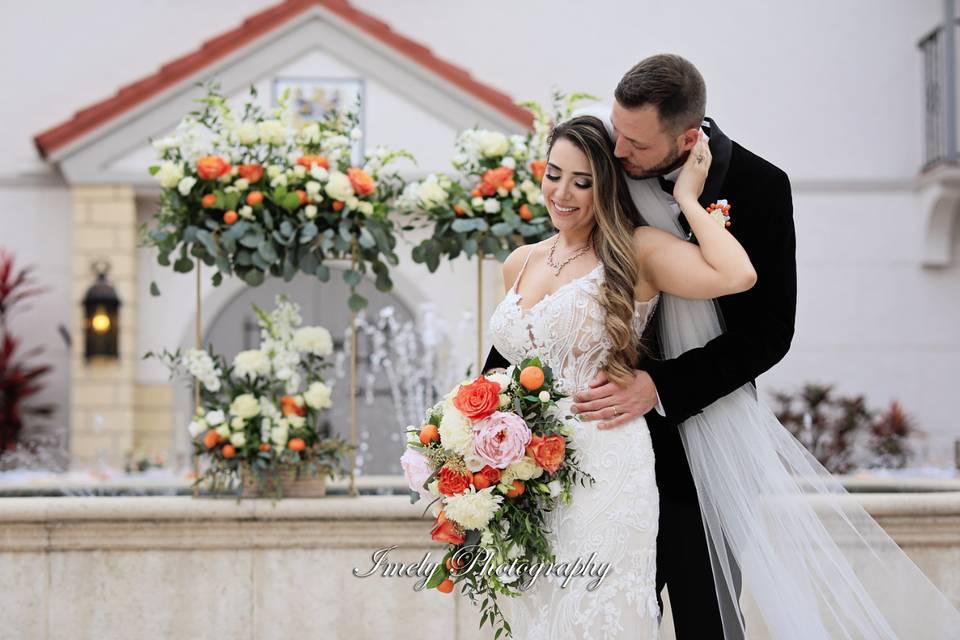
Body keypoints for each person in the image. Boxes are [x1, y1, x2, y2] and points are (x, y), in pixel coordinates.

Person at [485, 54, 960, 639]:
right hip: (592, 450)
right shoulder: (609, 166)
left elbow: (768, 333)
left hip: (702, 436)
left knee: (704, 617)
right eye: (615, 132)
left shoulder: (761, 187)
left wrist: (662, 386)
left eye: (633, 142)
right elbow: (543, 310)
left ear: (686, 138)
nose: (618, 153)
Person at [486, 113, 755, 638]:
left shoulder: (639, 250)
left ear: (607, 184)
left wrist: (687, 201)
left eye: (582, 181)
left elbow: (737, 275)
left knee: (601, 617)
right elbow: (503, 372)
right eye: (553, 173)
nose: (562, 193)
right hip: (534, 477)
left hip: (607, 465)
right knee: (544, 617)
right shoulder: (519, 261)